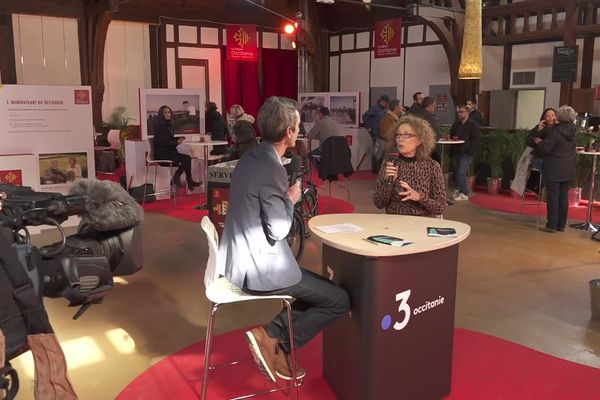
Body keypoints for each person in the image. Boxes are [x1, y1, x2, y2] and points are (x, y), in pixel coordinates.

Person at [219, 96, 350, 382]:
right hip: (258, 267)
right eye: (298, 126)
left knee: (316, 290)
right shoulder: (272, 169)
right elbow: (278, 231)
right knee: (338, 299)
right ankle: (272, 337)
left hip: (238, 259)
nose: (300, 130)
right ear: (289, 132)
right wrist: (290, 199)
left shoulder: (251, 157)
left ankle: (278, 345)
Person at [373, 114, 446, 217]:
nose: (400, 139)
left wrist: (419, 197)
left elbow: (440, 207)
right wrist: (388, 183)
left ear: (420, 140)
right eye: (398, 135)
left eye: (406, 135)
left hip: (421, 224)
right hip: (394, 222)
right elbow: (379, 203)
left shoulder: (432, 166)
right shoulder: (389, 164)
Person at [533, 105, 577, 233]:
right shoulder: (574, 130)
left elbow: (547, 148)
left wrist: (539, 142)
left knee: (553, 197)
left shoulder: (556, 131)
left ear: (559, 116)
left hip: (553, 167)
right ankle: (561, 225)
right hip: (568, 168)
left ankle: (551, 225)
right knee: (563, 197)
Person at [153, 105, 200, 191]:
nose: (167, 114)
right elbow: (164, 142)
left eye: (169, 112)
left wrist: (177, 139)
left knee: (187, 158)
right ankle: (178, 178)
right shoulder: (160, 126)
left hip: (169, 152)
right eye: (165, 112)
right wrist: (177, 142)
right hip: (163, 154)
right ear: (161, 114)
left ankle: (185, 180)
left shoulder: (167, 125)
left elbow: (168, 139)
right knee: (186, 159)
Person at [450, 105, 481, 201]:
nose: (459, 114)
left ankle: (466, 192)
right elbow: (452, 136)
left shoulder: (473, 125)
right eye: (458, 112)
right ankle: (460, 189)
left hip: (466, 153)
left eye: (461, 112)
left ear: (467, 113)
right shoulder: (456, 125)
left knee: (461, 172)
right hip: (456, 151)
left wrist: (470, 151)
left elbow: (476, 140)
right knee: (457, 172)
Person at [527, 107, 557, 189]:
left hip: (554, 158)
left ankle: (546, 189)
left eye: (553, 115)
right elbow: (529, 142)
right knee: (543, 164)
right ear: (544, 118)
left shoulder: (558, 129)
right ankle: (543, 188)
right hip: (540, 156)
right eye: (547, 116)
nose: (550, 118)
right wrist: (538, 131)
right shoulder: (540, 127)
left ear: (556, 117)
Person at [363, 94, 390, 173]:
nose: (387, 104)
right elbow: (365, 116)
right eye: (386, 102)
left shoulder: (385, 110)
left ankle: (378, 169)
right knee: (376, 152)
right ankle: (375, 170)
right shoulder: (375, 108)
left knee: (380, 153)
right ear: (382, 101)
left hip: (382, 134)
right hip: (376, 134)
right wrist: (368, 127)